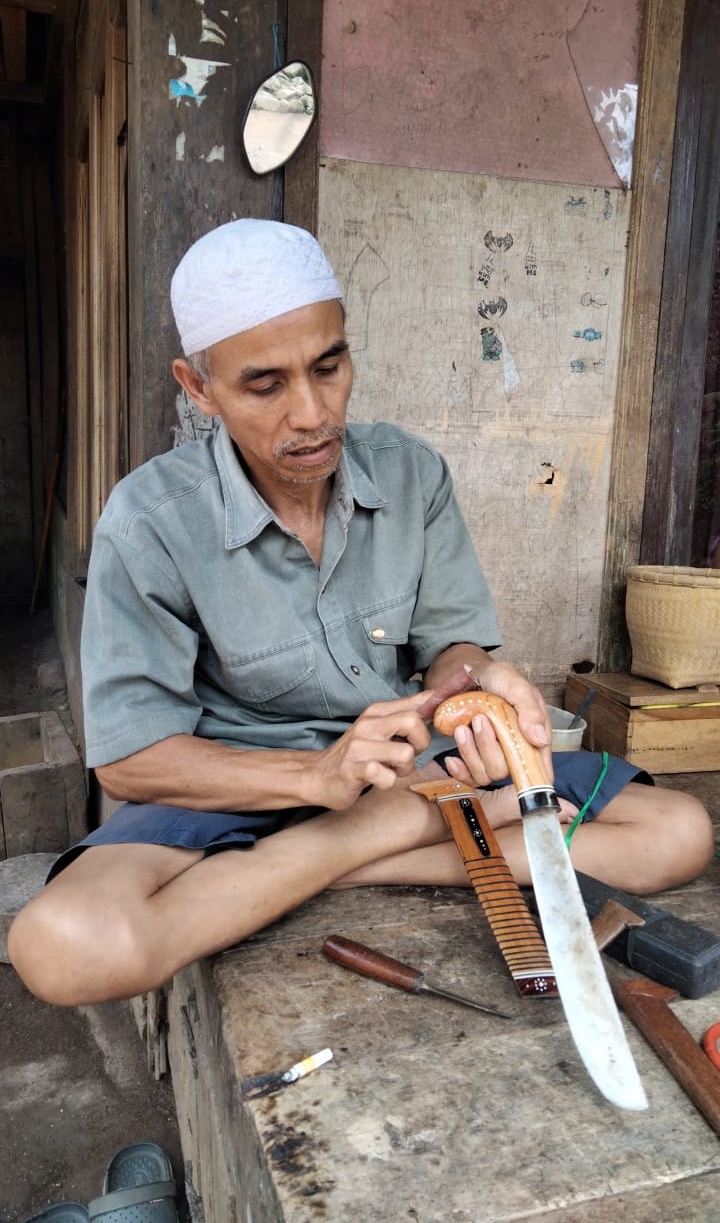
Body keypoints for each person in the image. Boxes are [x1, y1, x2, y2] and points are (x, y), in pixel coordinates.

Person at [8, 220, 714, 1007]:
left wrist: (480, 689)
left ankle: (320, 860)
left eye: (328, 366)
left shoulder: (410, 473)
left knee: (678, 832)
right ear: (198, 386)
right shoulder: (151, 521)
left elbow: (453, 648)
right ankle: (376, 834)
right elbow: (131, 760)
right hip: (234, 795)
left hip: (407, 777)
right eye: (264, 384)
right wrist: (319, 775)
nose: (311, 414)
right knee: (64, 947)